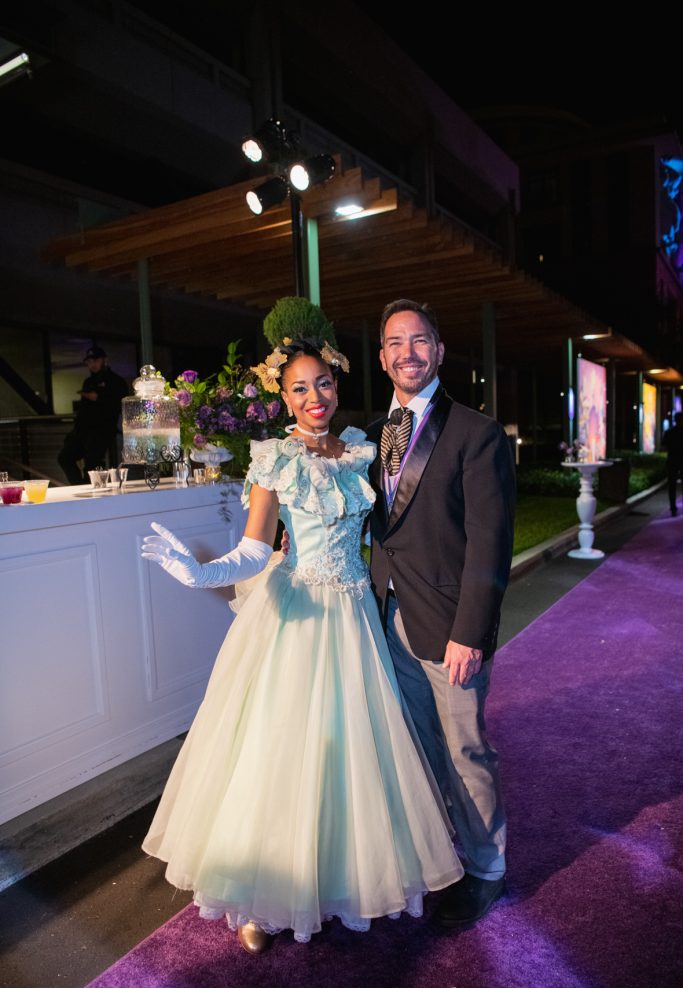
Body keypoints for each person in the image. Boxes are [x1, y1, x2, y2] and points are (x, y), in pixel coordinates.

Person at [140, 337, 463, 954]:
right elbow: (255, 550)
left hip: (354, 616)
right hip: (295, 616)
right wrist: (197, 572)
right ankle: (263, 895)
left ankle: (339, 879)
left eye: (323, 384)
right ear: (282, 396)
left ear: (338, 386)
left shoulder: (365, 451)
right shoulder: (273, 459)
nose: (314, 397)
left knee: (352, 754)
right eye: (299, 387)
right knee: (280, 749)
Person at [366, 299, 516, 927]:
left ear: (440, 351)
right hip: (387, 617)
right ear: (381, 357)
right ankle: (442, 859)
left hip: (450, 628)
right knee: (419, 749)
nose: (408, 353)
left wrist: (471, 634)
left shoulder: (476, 433)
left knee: (466, 750)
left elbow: (491, 543)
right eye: (396, 343)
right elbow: (377, 522)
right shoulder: (371, 434)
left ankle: (486, 868)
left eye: (420, 340)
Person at [58, 345, 128, 484]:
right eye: (89, 362)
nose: (92, 364)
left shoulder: (116, 381)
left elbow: (119, 405)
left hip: (103, 430)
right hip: (84, 431)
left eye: (95, 360)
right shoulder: (89, 382)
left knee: (92, 462)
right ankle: (79, 486)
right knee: (64, 457)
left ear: (104, 360)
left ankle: (91, 488)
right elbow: (84, 410)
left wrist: (99, 397)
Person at [662, 411, 683, 516]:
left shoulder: (669, 432)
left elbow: (664, 446)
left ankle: (673, 507)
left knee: (672, 485)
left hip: (672, 460)